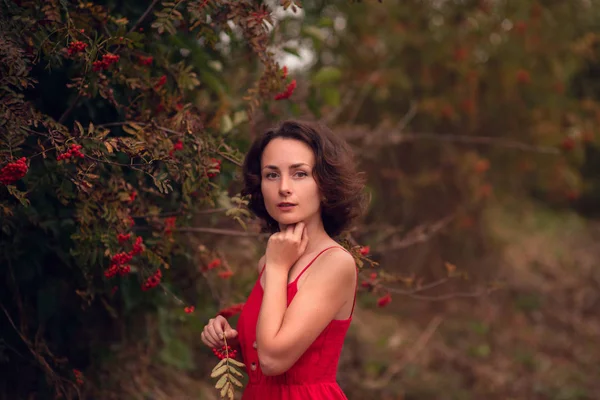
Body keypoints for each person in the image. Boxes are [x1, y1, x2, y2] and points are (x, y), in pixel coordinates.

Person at [201, 120, 368, 399]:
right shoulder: (268, 263)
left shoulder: (334, 263)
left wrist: (278, 266)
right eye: (272, 175)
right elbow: (261, 360)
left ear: (325, 185)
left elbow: (273, 361)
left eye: (300, 174)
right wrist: (233, 342)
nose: (284, 188)